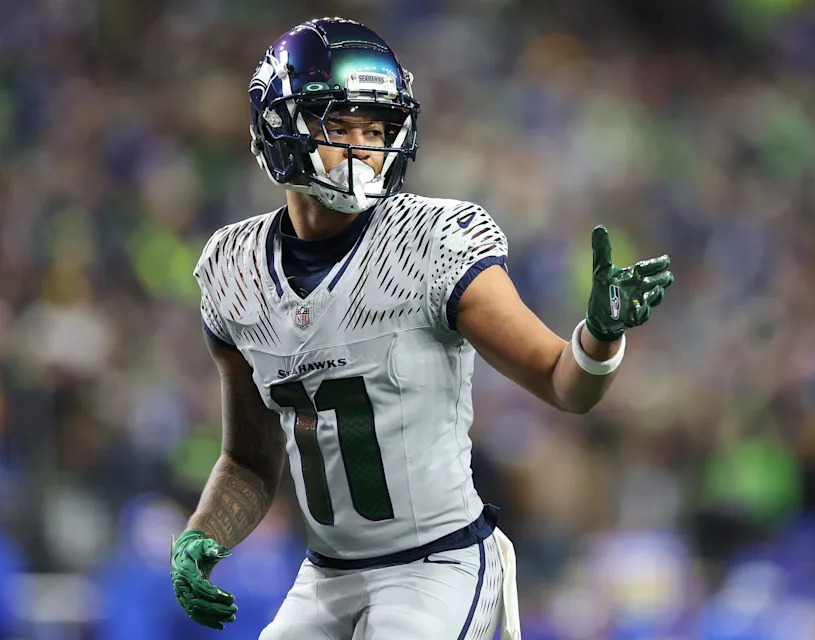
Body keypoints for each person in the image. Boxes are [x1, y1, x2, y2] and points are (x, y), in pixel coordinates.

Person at [169, 16, 674, 640]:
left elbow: (562, 382)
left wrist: (600, 335)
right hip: (326, 574)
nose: (364, 147)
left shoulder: (430, 243)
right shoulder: (234, 269)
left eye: (377, 128)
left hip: (437, 564)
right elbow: (248, 459)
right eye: (341, 126)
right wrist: (200, 539)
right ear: (281, 126)